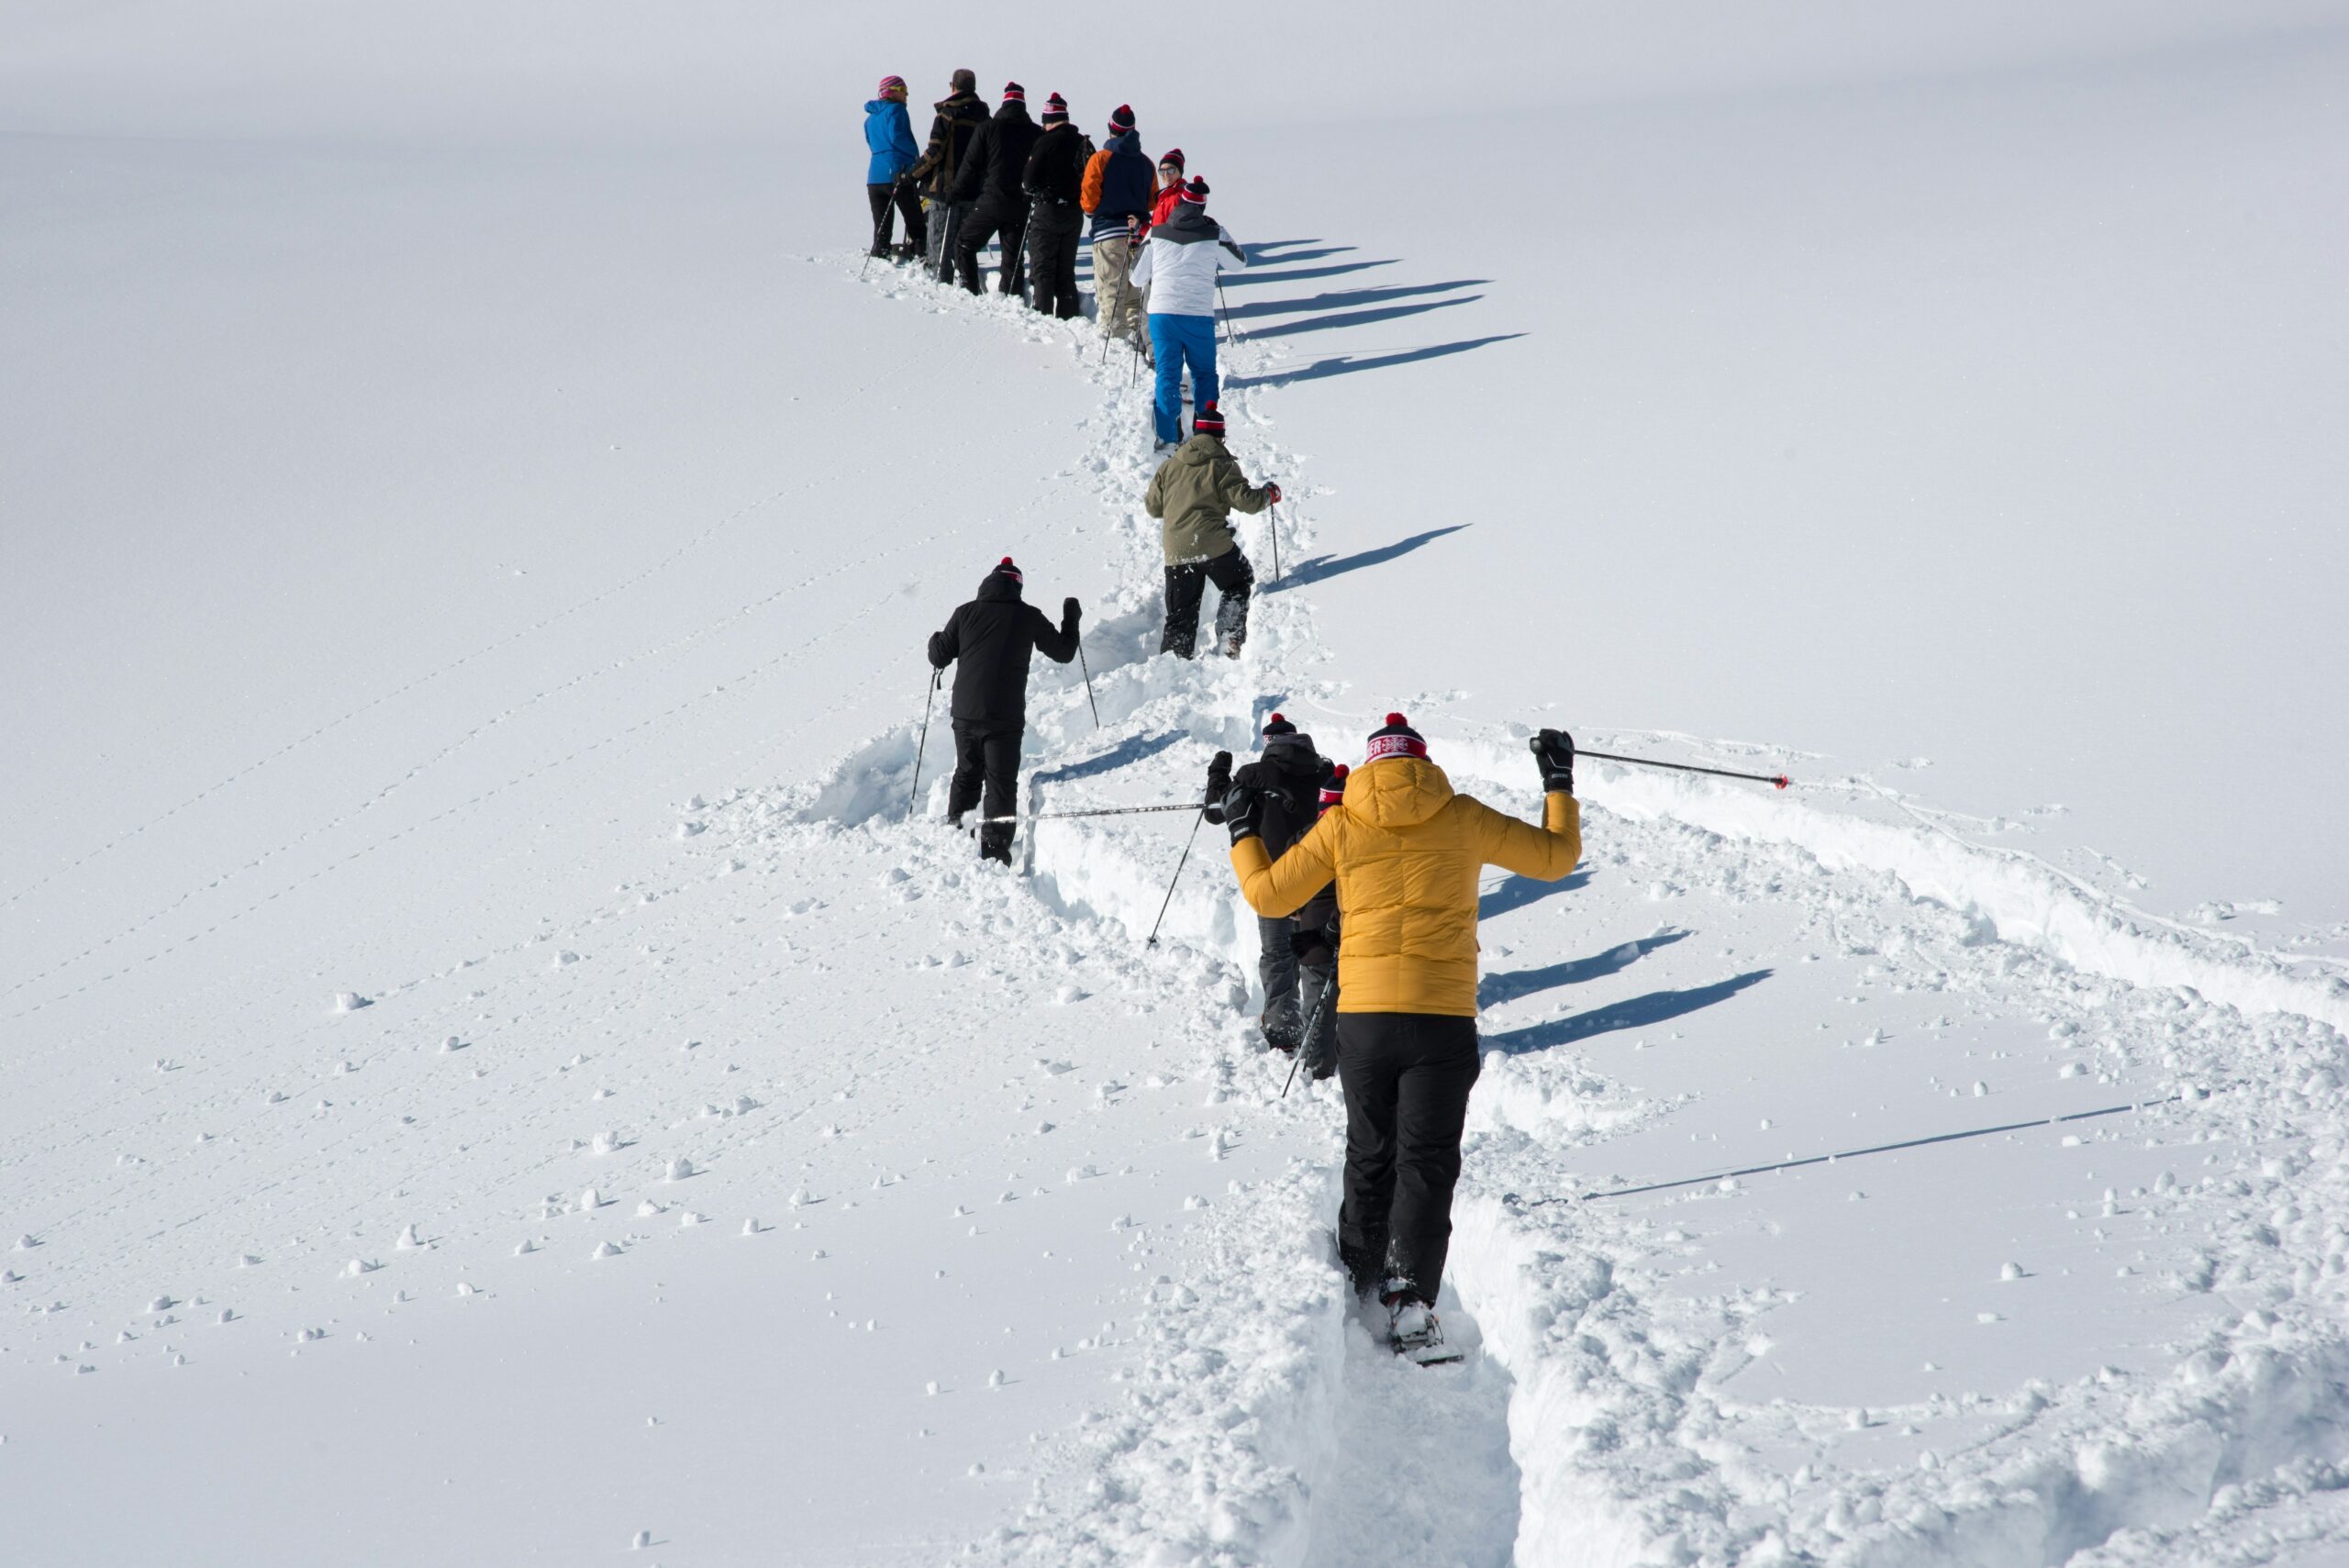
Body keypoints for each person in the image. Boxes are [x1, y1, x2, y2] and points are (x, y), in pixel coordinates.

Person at [1223, 717, 1582, 1362]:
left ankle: (1358, 1275)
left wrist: (1242, 828)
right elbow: (1557, 857)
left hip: (1361, 1019)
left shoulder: (1342, 823)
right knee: (1427, 1159)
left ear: (1369, 767)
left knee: (1369, 1150)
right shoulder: (1462, 815)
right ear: (1422, 764)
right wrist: (1557, 780)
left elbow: (1267, 894)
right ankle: (1409, 1296)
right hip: (1440, 1019)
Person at [1203, 717, 1340, 1070]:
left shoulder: (1254, 775)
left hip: (1274, 880)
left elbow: (1216, 811)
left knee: (1279, 955)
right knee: (1316, 961)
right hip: (1321, 884)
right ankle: (1320, 1043)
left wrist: (1218, 774)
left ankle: (1283, 1031)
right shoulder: (1325, 772)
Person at [925, 557, 1081, 864]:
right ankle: (995, 851)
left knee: (967, 772)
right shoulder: (1028, 616)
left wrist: (934, 640)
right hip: (1004, 717)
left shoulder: (965, 612)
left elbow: (939, 657)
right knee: (1000, 781)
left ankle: (957, 833)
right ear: (1017, 586)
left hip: (965, 714)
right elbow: (1063, 652)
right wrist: (1071, 618)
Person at [1144, 402, 1277, 658]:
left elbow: (1153, 508)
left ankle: (1172, 664)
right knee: (1238, 582)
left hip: (1177, 549)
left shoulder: (1170, 466)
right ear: (1219, 435)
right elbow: (1246, 501)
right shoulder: (1222, 463)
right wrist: (1268, 495)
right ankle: (1229, 637)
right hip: (1212, 543)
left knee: (1180, 615)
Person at [1130, 177, 1246, 450]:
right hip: (1198, 316)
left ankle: (1169, 437)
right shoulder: (1213, 233)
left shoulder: (1156, 232)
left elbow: (1136, 278)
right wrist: (1219, 232)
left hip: (1162, 314)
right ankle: (1205, 433)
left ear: (1180, 203)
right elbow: (1239, 263)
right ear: (1203, 207)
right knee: (1204, 374)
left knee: (1167, 374)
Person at [952, 83, 1043, 300]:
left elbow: (970, 164)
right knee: (1013, 257)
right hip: (1021, 204)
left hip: (992, 201)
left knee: (964, 243)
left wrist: (956, 192)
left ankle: (969, 292)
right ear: (1023, 105)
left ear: (1004, 103)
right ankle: (1011, 297)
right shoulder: (1035, 133)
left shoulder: (987, 127)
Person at [1083, 106, 1155, 349]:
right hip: (1138, 235)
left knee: (1111, 292)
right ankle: (1139, 342)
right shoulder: (1146, 163)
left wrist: (1094, 209)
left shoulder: (1100, 159)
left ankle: (1115, 347)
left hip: (1108, 234)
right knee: (1135, 292)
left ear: (1111, 129)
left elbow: (1089, 201)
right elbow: (1153, 200)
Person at [907, 70, 989, 281]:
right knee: (963, 248)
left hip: (945, 189)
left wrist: (912, 174)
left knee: (939, 247)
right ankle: (965, 286)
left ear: (952, 86)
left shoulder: (947, 114)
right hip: (973, 190)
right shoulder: (984, 118)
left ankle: (941, 290)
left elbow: (934, 152)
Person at [1021, 94, 1088, 319]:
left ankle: (1043, 319)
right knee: (1066, 272)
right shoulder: (1083, 143)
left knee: (1043, 270)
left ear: (1048, 119)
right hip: (1074, 214)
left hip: (1047, 211)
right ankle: (1069, 318)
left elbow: (1028, 181)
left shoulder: (1045, 141)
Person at [863, 77, 926, 260]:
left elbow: (870, 142)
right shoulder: (897, 110)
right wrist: (916, 157)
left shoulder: (870, 119)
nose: (906, 94)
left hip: (875, 176)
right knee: (914, 217)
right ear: (891, 91)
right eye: (902, 89)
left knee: (882, 222)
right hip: (897, 172)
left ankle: (881, 252)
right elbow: (898, 137)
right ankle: (921, 252)